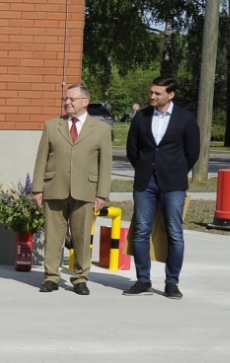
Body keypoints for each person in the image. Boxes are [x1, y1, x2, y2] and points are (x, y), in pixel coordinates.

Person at [124, 75, 200, 298]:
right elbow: (132, 149)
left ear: (171, 95)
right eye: (151, 92)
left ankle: (172, 282)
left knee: (174, 232)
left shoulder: (185, 118)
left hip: (173, 183)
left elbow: (192, 152)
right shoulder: (141, 117)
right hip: (145, 182)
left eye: (157, 93)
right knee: (140, 231)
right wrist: (142, 168)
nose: (152, 96)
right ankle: (143, 281)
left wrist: (175, 170)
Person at [32, 84, 112, 295]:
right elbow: (41, 159)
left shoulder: (101, 129)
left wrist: (102, 193)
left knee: (82, 237)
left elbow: (105, 164)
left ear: (85, 102)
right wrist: (37, 189)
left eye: (71, 99)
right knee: (53, 237)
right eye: (65, 99)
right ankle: (51, 277)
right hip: (54, 188)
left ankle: (80, 278)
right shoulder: (52, 126)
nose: (67, 102)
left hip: (86, 190)